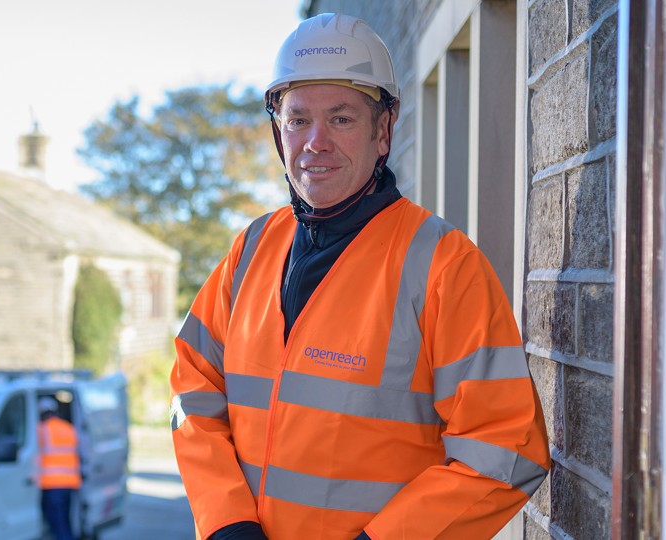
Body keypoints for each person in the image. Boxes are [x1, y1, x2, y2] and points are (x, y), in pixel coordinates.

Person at [169, 13, 551, 540]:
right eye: (298, 119)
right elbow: (193, 390)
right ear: (278, 131)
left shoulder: (443, 266)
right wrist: (225, 519)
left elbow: (507, 448)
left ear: (384, 129)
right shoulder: (251, 249)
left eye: (342, 119)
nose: (316, 142)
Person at [37, 396, 81, 540]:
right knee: (65, 522)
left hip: (51, 484)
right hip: (70, 483)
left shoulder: (42, 429)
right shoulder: (69, 428)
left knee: (58, 525)